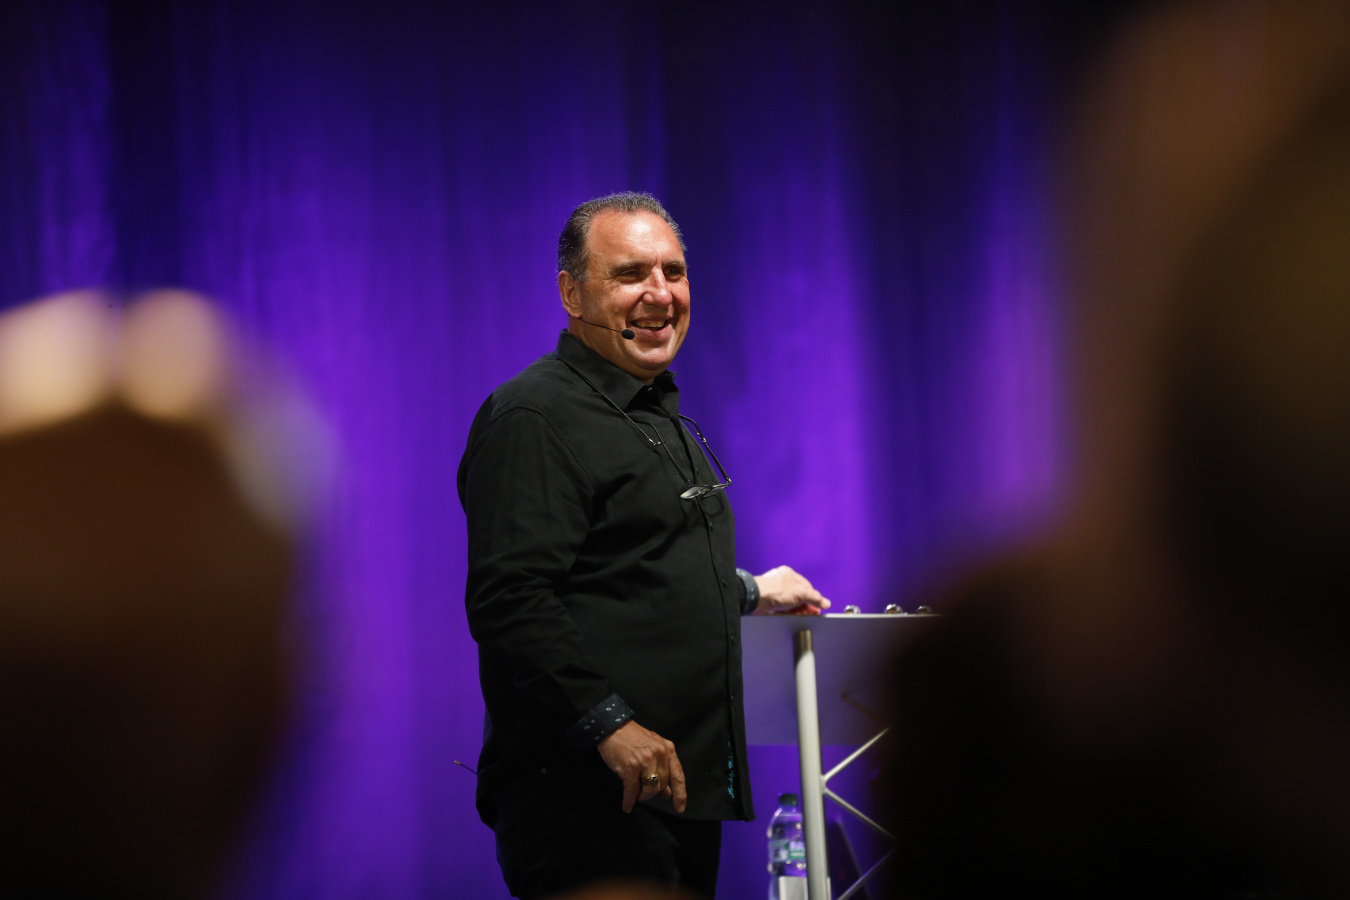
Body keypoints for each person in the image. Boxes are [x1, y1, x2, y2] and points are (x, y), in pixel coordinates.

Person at [458, 192, 829, 900]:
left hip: (675, 792)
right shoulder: (535, 416)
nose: (660, 294)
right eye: (630, 274)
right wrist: (610, 724)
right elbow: (511, 598)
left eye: (673, 272)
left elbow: (635, 569)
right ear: (572, 293)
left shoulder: (654, 411)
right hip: (590, 799)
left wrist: (752, 590)